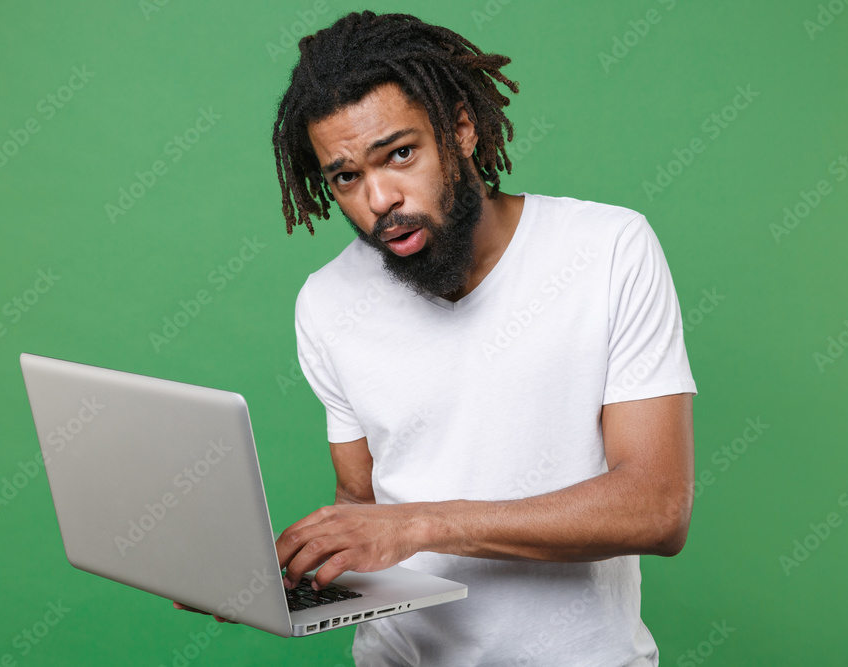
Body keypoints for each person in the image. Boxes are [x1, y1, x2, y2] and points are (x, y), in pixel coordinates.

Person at [186, 10, 697, 666]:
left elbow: (655, 506)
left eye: (399, 154)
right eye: (345, 177)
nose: (378, 199)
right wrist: (273, 581)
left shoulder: (608, 250)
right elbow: (363, 508)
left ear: (461, 127)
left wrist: (427, 523)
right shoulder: (326, 302)